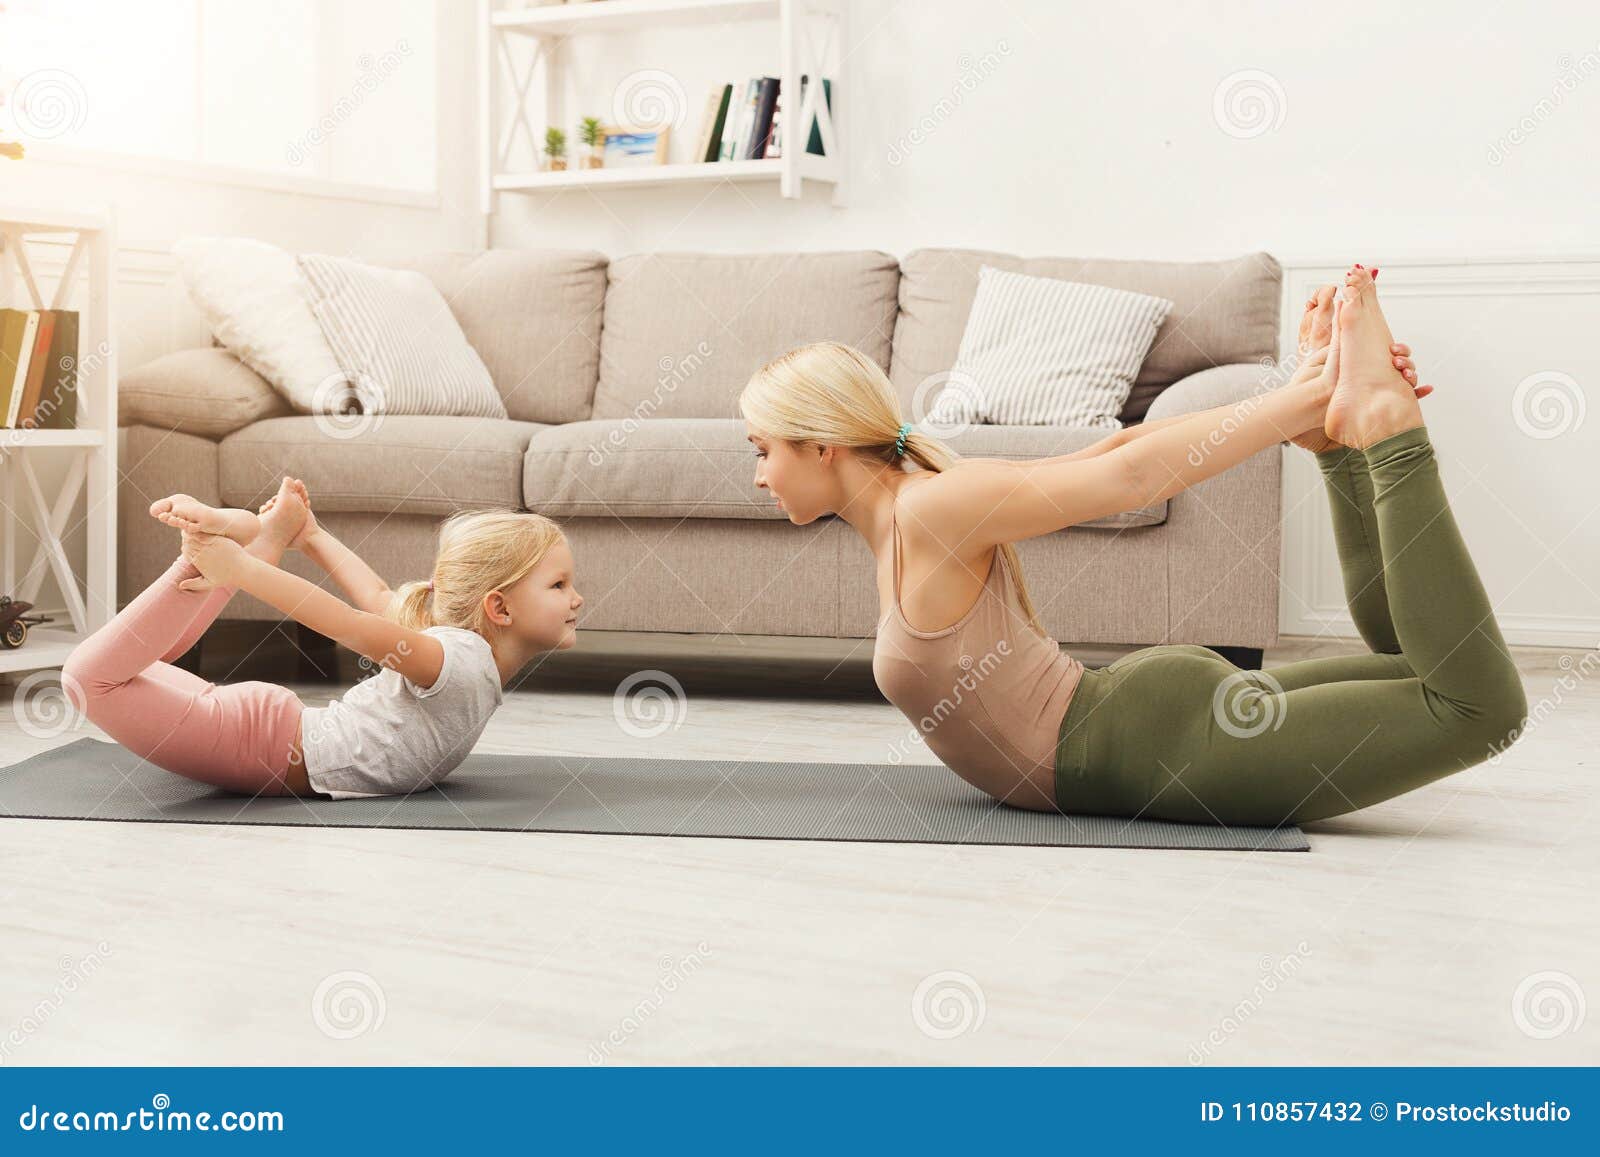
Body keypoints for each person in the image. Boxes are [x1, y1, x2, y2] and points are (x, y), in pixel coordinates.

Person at [738, 264, 1528, 825]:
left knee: (1477, 708)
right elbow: (1101, 457)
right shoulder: (922, 509)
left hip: (1163, 746)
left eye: (763, 448)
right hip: (1143, 723)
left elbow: (1132, 476)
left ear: (821, 446)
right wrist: (1299, 405)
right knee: (1422, 669)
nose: (758, 474)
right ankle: (1335, 443)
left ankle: (1385, 428)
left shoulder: (928, 510)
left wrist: (1303, 394)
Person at [63, 477, 582, 800]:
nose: (576, 598)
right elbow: (349, 624)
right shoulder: (459, 660)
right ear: (499, 607)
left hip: (265, 737)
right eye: (559, 585)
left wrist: (309, 535)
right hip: (260, 746)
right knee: (87, 679)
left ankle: (246, 545)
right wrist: (241, 568)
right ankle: (214, 554)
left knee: (133, 662)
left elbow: (377, 599)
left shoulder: (454, 653)